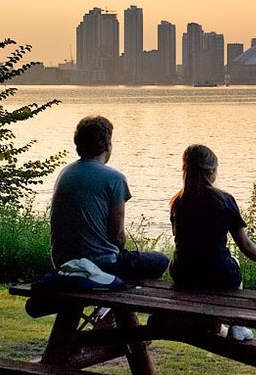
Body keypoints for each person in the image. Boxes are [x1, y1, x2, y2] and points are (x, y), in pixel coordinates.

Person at [50, 116, 169, 284]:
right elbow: (117, 237)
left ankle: (121, 308)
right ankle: (133, 301)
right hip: (102, 266)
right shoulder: (114, 178)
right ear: (107, 144)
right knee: (160, 260)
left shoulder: (65, 173)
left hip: (63, 264)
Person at [169, 144, 256, 341]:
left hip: (184, 274)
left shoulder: (177, 202)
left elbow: (179, 238)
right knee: (233, 263)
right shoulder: (224, 200)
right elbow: (244, 244)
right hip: (217, 275)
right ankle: (237, 324)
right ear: (211, 171)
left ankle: (211, 323)